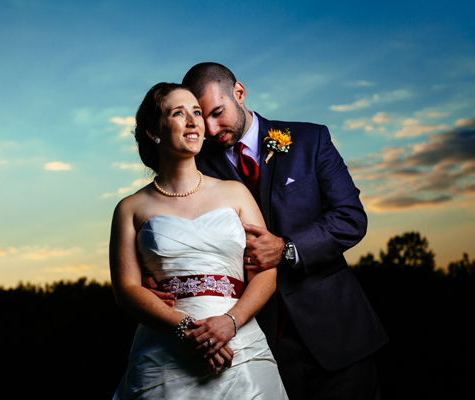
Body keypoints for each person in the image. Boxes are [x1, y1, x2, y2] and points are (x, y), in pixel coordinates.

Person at [172, 63, 388, 399]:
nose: (212, 129)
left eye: (218, 112)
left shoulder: (309, 140)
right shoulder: (197, 167)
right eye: (203, 118)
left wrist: (287, 248)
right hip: (258, 342)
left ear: (239, 93)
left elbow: (350, 218)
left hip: (336, 331)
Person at [110, 82, 288, 399]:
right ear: (153, 131)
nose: (194, 121)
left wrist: (230, 323)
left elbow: (265, 271)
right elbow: (127, 290)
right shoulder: (130, 208)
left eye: (197, 112)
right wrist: (187, 330)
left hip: (239, 342)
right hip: (165, 350)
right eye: (179, 113)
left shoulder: (235, 193)